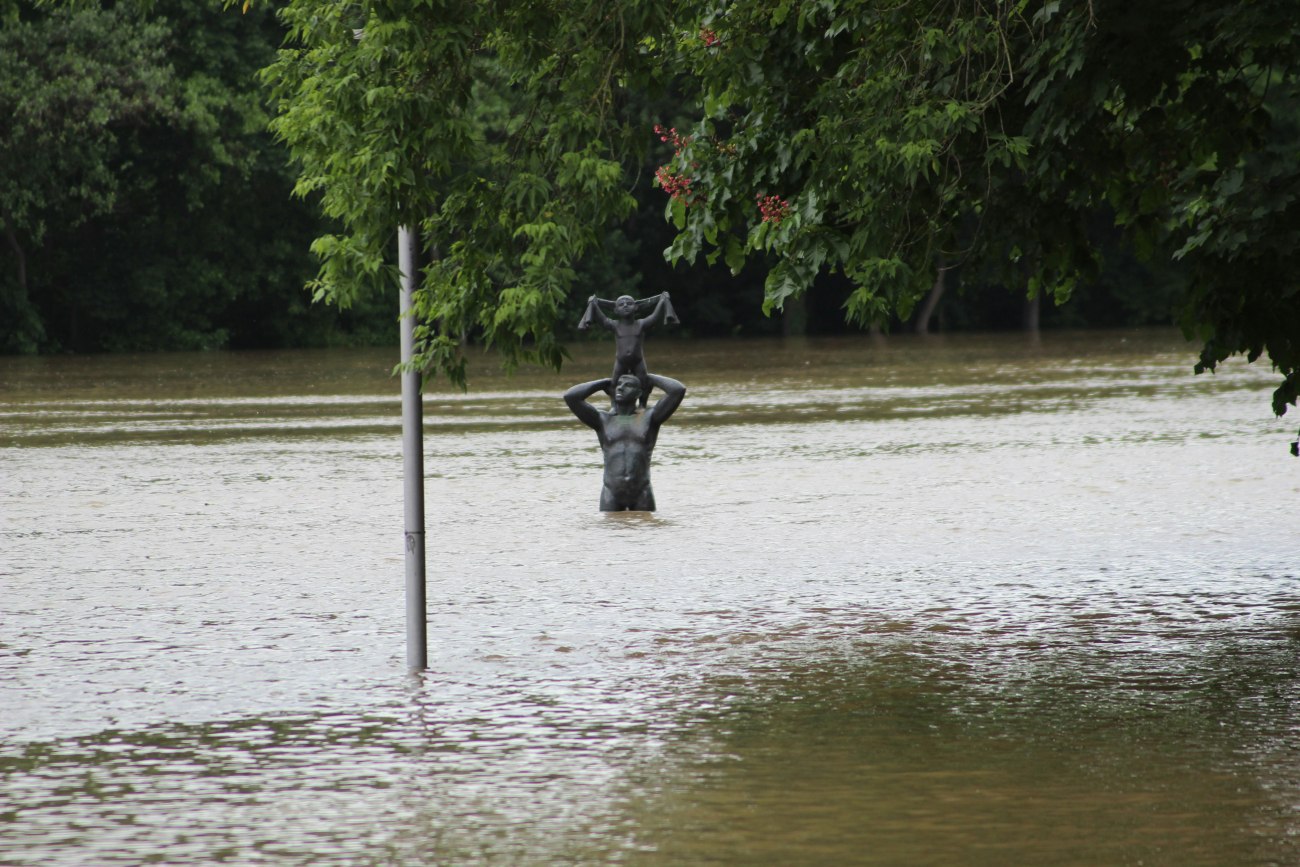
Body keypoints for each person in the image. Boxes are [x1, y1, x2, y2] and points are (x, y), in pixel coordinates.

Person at [563, 372, 686, 511]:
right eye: (618, 385)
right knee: (611, 532)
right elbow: (571, 397)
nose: (620, 388)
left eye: (628, 385)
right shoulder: (602, 420)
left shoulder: (650, 418)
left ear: (638, 393)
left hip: (642, 493)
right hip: (611, 494)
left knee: (647, 529)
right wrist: (604, 382)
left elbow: (678, 390)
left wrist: (647, 377)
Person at [577, 292, 678, 408]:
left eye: (629, 303)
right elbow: (603, 320)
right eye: (621, 304)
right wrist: (594, 304)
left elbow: (654, 317)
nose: (625, 305)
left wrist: (662, 301)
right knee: (614, 383)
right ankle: (614, 406)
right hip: (621, 361)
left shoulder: (641, 324)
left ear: (636, 307)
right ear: (616, 310)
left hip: (638, 361)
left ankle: (642, 405)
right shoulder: (615, 325)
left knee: (643, 383)